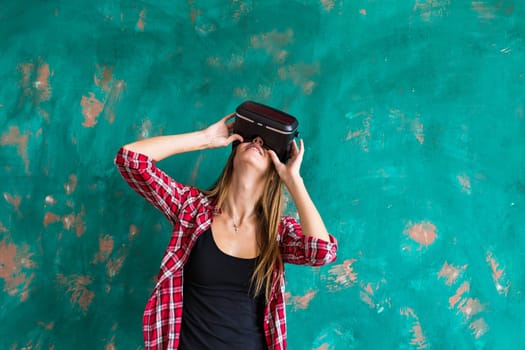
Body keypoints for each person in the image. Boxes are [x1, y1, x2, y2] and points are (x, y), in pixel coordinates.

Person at [114, 113, 338, 350]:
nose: (257, 142)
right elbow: (131, 160)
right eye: (251, 138)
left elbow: (321, 252)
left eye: (266, 143)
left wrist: (293, 180)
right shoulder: (192, 208)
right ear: (233, 153)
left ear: (275, 169)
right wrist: (204, 138)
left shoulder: (278, 232)